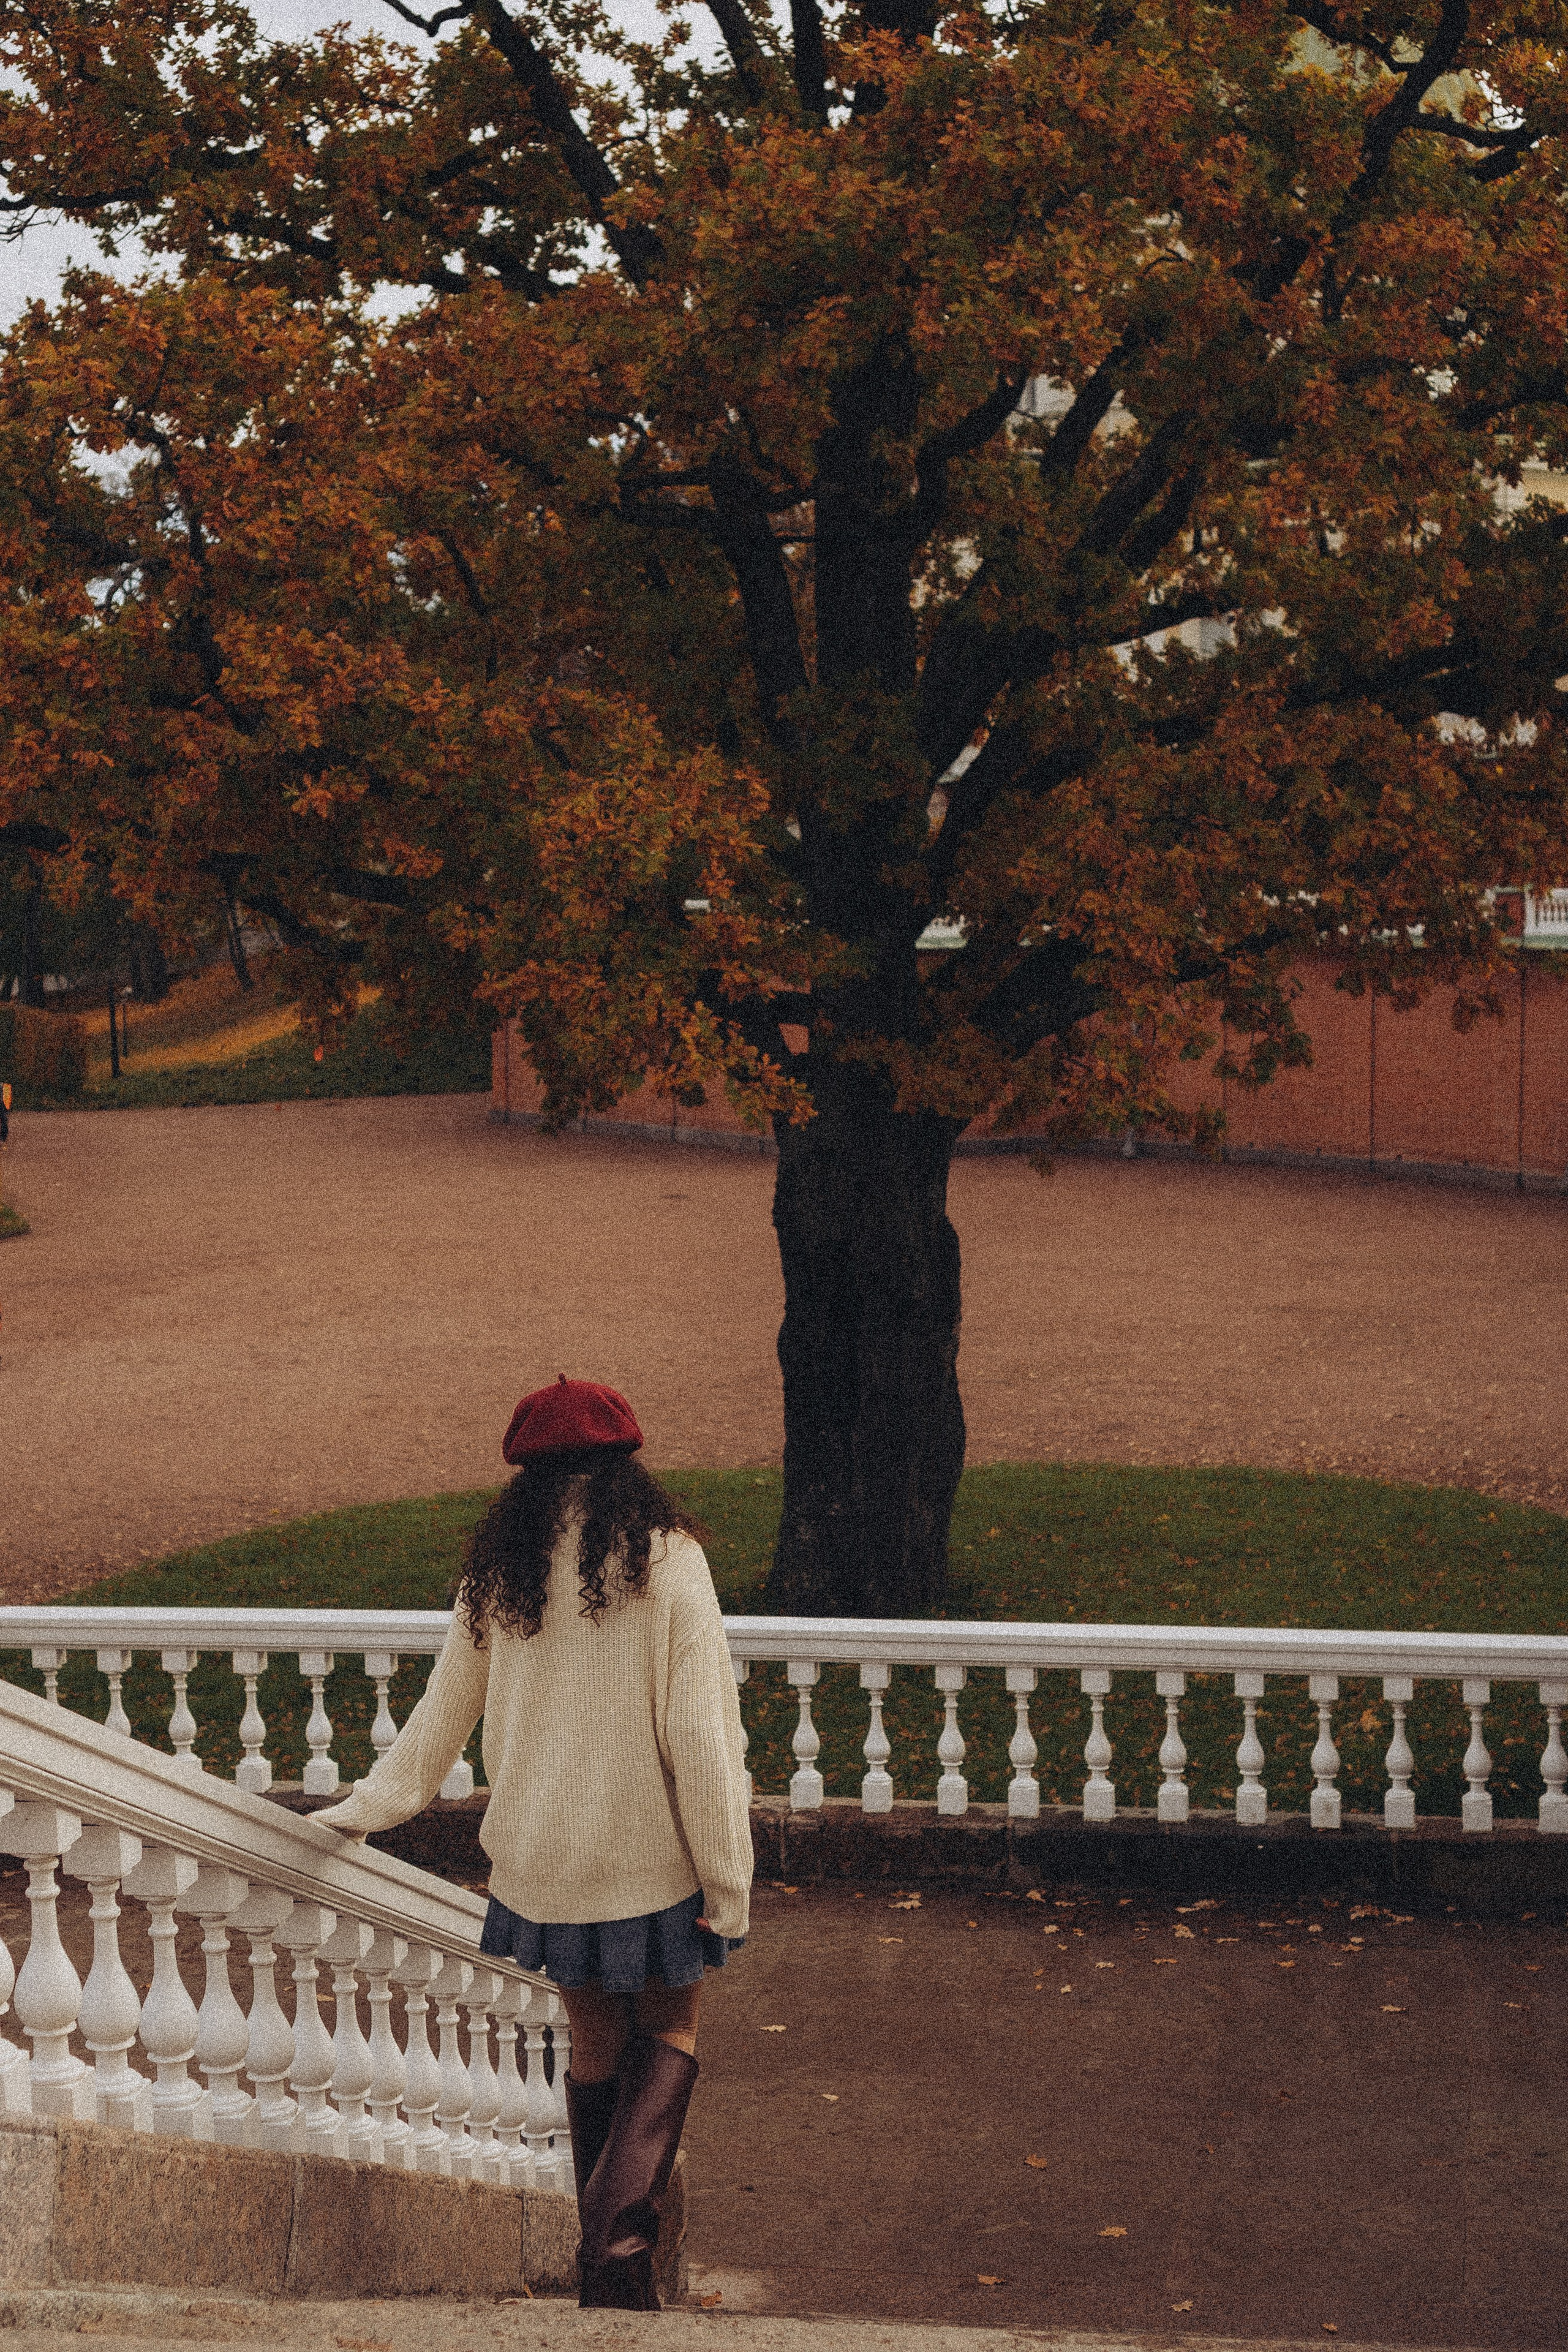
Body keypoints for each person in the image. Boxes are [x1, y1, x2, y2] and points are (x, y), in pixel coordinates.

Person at [314, 1374, 753, 2310]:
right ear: (626, 1466)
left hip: (545, 1864)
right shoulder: (671, 1564)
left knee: (593, 2043)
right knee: (670, 2031)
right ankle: (616, 2257)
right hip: (654, 1862)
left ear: (526, 1478)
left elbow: (440, 1718)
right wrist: (729, 1873)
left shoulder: (501, 1574)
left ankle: (607, 2259)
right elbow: (703, 1736)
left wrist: (369, 1805)